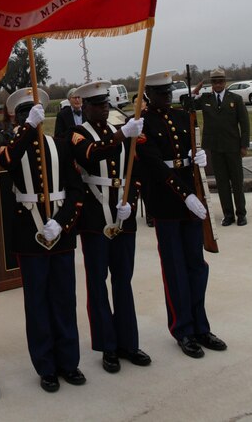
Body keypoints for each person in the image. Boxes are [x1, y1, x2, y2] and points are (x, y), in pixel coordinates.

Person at [0, 88, 86, 393]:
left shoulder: (61, 146)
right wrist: (25, 130)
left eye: (32, 113)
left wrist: (62, 223)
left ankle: (69, 362)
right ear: (16, 119)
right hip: (28, 232)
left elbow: (76, 190)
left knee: (64, 299)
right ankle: (46, 365)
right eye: (22, 114)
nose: (29, 119)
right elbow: (8, 160)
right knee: (37, 303)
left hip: (58, 232)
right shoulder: (10, 146)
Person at [136, 70, 227, 358]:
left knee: (196, 266)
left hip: (191, 201)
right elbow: (155, 166)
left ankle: (201, 326)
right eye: (160, 94)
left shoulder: (179, 116)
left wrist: (198, 158)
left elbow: (188, 150)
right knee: (175, 269)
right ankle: (183, 329)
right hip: (167, 204)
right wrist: (184, 194)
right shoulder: (142, 124)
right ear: (149, 94)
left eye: (168, 93)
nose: (165, 98)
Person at [68, 81, 150, 374]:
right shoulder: (78, 134)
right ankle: (107, 346)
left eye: (106, 104)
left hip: (122, 212)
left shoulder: (119, 130)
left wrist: (133, 197)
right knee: (97, 282)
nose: (104, 108)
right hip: (94, 216)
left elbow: (134, 168)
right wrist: (121, 136)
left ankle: (129, 341)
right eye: (98, 104)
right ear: (86, 106)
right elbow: (91, 155)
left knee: (123, 280)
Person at [188, 68, 250, 227]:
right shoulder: (206, 99)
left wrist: (244, 145)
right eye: (214, 82)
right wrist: (195, 91)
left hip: (233, 147)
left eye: (220, 81)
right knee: (221, 183)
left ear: (225, 82)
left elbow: (244, 124)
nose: (218, 84)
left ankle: (241, 214)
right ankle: (228, 214)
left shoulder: (235, 99)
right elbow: (187, 106)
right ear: (211, 84)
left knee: (237, 181)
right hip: (215, 147)